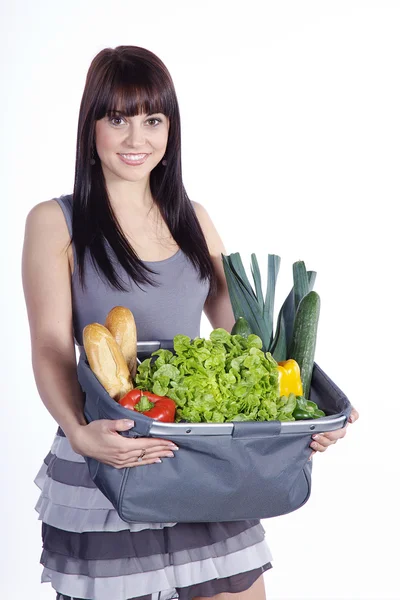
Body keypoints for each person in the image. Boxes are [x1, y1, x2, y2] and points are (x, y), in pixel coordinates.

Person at [22, 45, 359, 600]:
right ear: (91, 127)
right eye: (118, 118)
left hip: (206, 460)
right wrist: (83, 436)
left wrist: (306, 411)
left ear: (171, 128)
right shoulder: (56, 222)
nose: (137, 139)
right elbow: (53, 347)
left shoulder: (193, 219)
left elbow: (244, 342)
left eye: (153, 119)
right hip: (117, 455)